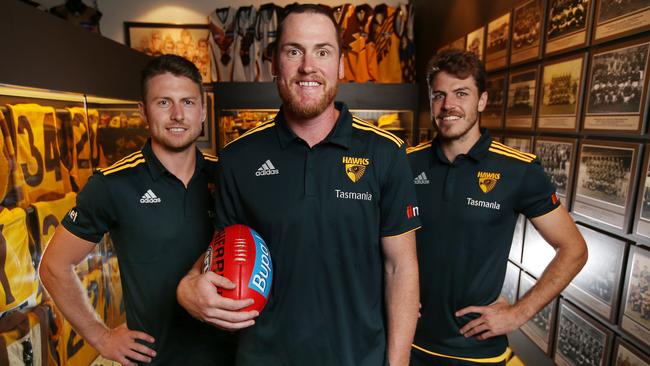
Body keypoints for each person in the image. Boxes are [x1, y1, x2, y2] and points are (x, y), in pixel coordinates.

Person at [176, 4, 421, 366]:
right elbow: (225, 249)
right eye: (294, 51)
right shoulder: (238, 158)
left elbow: (401, 267)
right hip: (264, 357)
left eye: (323, 51)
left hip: (358, 358)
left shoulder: (386, 153)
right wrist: (187, 287)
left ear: (340, 64)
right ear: (275, 63)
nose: (308, 66)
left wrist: (397, 364)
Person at [39, 55, 235, 366]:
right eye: (163, 103)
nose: (177, 115)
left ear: (202, 110)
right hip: (157, 360)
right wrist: (100, 336)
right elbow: (53, 265)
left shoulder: (228, 177)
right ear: (143, 112)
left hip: (233, 357)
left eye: (187, 102)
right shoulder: (113, 185)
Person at [407, 48, 588, 365]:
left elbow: (574, 249)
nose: (448, 105)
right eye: (439, 95)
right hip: (406, 342)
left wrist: (519, 313)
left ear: (481, 100)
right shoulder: (405, 162)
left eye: (461, 93)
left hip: (476, 351)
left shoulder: (518, 169)